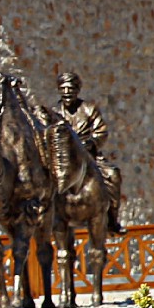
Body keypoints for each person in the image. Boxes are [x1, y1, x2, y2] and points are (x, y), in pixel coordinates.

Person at [56, 69, 124, 234]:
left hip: (88, 157)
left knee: (113, 175)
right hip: (62, 159)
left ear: (77, 90)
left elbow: (101, 131)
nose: (67, 92)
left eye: (71, 88)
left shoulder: (89, 109)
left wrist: (91, 143)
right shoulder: (54, 113)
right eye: (63, 88)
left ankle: (112, 219)